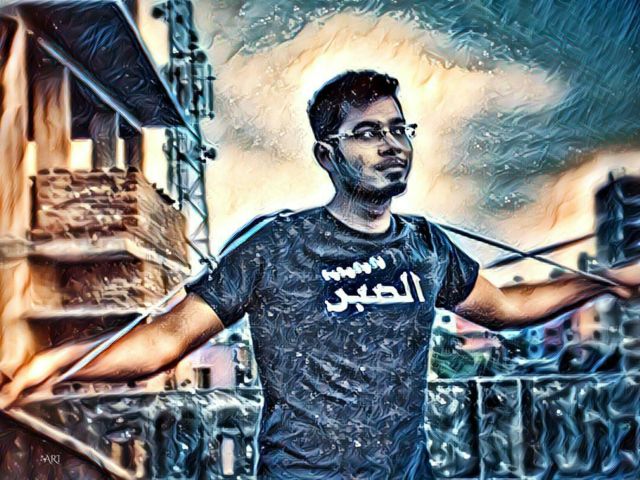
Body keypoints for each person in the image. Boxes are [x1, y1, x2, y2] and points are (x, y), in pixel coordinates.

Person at [0, 70, 638, 479]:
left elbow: (508, 307)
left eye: (399, 129)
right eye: (368, 133)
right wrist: (57, 362)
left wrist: (608, 280)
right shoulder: (275, 245)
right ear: (327, 155)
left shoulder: (425, 246)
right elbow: (165, 339)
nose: (392, 145)